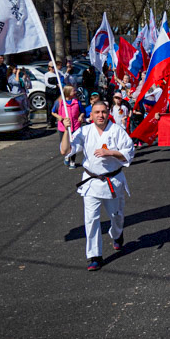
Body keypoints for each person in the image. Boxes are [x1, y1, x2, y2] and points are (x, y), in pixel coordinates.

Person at [59, 100, 135, 271]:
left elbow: (128, 153)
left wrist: (110, 152)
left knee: (117, 217)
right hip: (91, 182)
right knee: (91, 220)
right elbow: (65, 150)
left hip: (112, 181)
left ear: (108, 113)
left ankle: (117, 234)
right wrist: (65, 130)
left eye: (103, 112)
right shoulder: (84, 131)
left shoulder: (117, 130)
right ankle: (94, 256)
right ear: (91, 115)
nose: (100, 115)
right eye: (97, 112)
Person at [53, 85, 85, 169]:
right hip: (63, 128)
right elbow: (53, 112)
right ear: (67, 93)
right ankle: (67, 156)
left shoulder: (77, 102)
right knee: (65, 144)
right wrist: (58, 116)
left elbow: (82, 111)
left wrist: (81, 116)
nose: (75, 92)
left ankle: (72, 161)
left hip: (75, 127)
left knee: (74, 144)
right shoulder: (60, 102)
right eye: (73, 91)